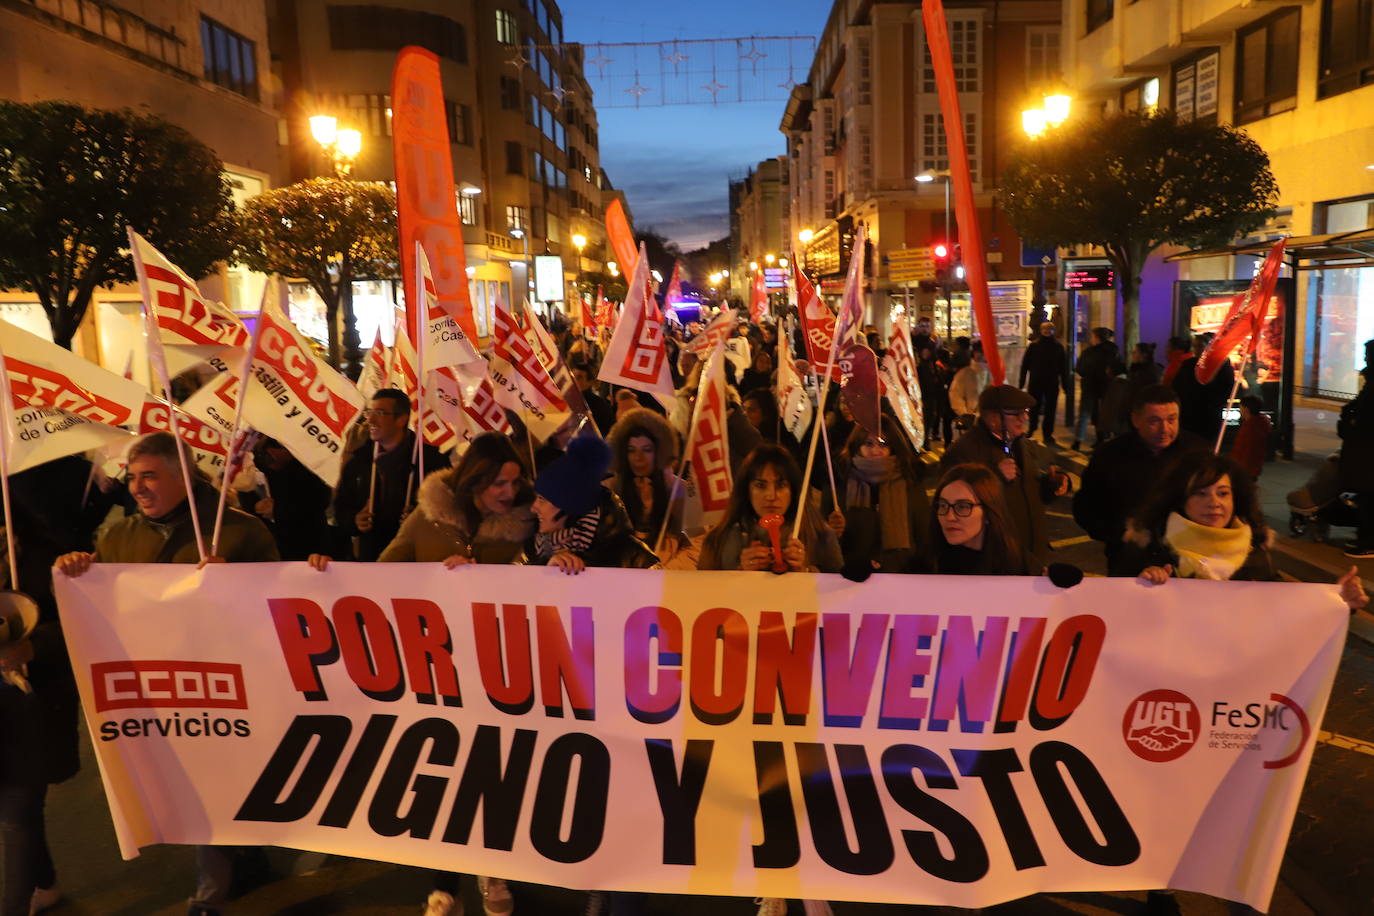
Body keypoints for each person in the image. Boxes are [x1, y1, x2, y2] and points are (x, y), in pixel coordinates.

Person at [53, 432, 278, 916]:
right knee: (194, 786)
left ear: (183, 477)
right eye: (132, 478)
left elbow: (276, 605)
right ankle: (248, 858)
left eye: (149, 475)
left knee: (215, 784)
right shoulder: (117, 537)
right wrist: (79, 570)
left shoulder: (237, 532)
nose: (137, 488)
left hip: (226, 685)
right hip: (156, 691)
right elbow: (103, 599)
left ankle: (209, 896)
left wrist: (235, 586)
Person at [1115, 451, 1368, 613]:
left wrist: (1339, 600)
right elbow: (1115, 611)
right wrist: (1142, 585)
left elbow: (1285, 607)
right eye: (1200, 493)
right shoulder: (1151, 544)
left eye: (1222, 493)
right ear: (1181, 499)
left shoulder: (1253, 549)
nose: (1214, 502)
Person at [0, 505, 77, 916]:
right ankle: (44, 883)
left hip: (31, 701)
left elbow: (78, 622)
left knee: (18, 811)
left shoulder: (47, 555)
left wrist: (32, 646)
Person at [1075, 384, 1207, 571]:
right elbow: (1086, 509)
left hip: (1188, 560)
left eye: (1172, 420)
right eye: (1154, 421)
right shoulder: (1110, 456)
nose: (1165, 429)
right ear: (1136, 420)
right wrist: (1121, 534)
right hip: (1129, 561)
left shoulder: (1199, 453)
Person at [940, 385, 1069, 569]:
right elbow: (956, 508)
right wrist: (995, 477)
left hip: (1032, 556)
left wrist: (1053, 485)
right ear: (992, 418)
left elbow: (1032, 492)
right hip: (995, 560)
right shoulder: (962, 452)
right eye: (1016, 413)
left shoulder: (1023, 445)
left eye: (1025, 412)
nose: (1024, 418)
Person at [333, 389, 444, 561]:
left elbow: (448, 511)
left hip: (415, 562)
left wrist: (420, 518)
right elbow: (340, 509)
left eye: (380, 413)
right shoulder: (359, 461)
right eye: (369, 412)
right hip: (370, 560)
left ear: (401, 419)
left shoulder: (429, 460)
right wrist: (355, 521)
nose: (370, 419)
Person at [698, 444, 842, 573]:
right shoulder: (719, 539)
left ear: (793, 490)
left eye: (781, 485)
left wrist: (805, 571)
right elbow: (703, 592)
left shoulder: (820, 535)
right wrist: (740, 572)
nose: (771, 496)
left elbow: (839, 590)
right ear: (746, 490)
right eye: (761, 485)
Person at [529, 436, 658, 574]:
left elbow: (663, 593)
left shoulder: (632, 555)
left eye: (542, 499)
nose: (533, 508)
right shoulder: (537, 550)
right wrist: (548, 575)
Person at [823, 417, 931, 574]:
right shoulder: (839, 482)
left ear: (893, 447)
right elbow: (821, 541)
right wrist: (832, 531)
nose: (875, 450)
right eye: (868, 444)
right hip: (852, 576)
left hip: (900, 574)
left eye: (883, 444)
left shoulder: (910, 482)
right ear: (857, 445)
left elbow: (923, 534)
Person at [925, 463, 1033, 575]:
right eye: (943, 505)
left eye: (962, 507)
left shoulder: (1018, 564)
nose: (949, 517)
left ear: (988, 512)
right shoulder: (925, 566)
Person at [605, 408, 686, 558]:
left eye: (647, 450)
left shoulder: (679, 490)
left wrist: (667, 571)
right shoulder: (608, 490)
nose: (638, 457)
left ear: (659, 452)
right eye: (631, 450)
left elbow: (694, 544)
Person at [250, 437, 333, 561]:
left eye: (271, 457)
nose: (270, 463)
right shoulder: (264, 468)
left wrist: (278, 510)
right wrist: (256, 506)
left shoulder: (308, 466)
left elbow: (318, 502)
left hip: (310, 539)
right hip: (278, 541)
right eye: (265, 458)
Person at [1339, 339, 1374, 558]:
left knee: (1369, 497)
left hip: (1367, 454)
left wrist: (1350, 423)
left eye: (1367, 354)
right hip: (1364, 452)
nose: (1363, 358)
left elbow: (1365, 421)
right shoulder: (1369, 382)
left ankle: (1369, 541)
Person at [1171, 333, 1235, 443]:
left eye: (1200, 346)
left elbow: (1226, 389)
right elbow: (1177, 386)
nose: (1196, 349)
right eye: (1195, 346)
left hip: (1209, 415)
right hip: (1189, 415)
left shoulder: (1221, 366)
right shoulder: (1188, 365)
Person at [1019, 321, 1070, 444]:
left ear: (1053, 331)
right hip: (1036, 381)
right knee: (1033, 406)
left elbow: (1063, 368)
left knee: (1050, 409)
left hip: (1051, 382)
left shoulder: (1058, 347)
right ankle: (1032, 428)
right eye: (1045, 329)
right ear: (1041, 331)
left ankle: (1047, 433)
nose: (1047, 332)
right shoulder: (1034, 346)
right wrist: (1022, 381)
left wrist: (1065, 384)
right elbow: (1025, 365)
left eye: (1050, 329)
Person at [1072, 327, 1120, 451]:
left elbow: (1080, 369)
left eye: (1093, 336)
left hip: (1090, 386)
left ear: (1097, 337)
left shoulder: (1089, 352)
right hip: (1107, 387)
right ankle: (1101, 439)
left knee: (1085, 414)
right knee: (1103, 413)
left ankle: (1078, 441)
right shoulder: (1114, 351)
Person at [947, 341, 989, 432]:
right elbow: (955, 395)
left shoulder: (994, 374)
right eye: (979, 352)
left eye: (984, 352)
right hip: (971, 421)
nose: (981, 355)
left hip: (990, 422)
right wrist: (965, 415)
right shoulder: (965, 373)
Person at [1231, 395, 1272, 482]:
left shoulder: (1250, 428)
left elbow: (1247, 452)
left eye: (1240, 407)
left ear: (1246, 409)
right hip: (1251, 469)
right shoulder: (1259, 423)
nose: (1240, 410)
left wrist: (1237, 470)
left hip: (1245, 470)